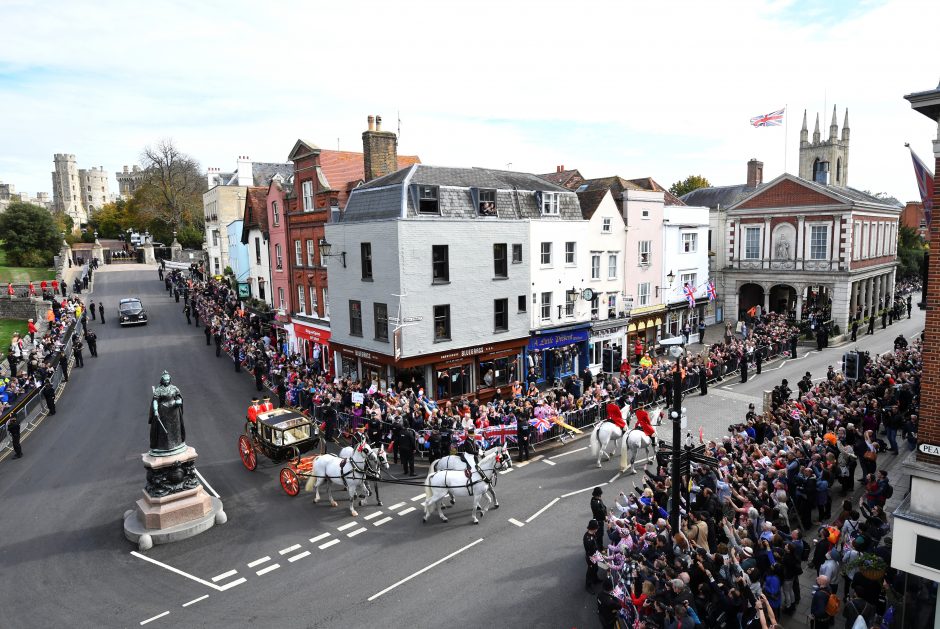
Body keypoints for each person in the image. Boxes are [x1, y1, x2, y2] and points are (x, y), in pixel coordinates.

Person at [584, 519, 602, 591]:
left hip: (594, 555)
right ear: (594, 528)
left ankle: (595, 579)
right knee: (590, 571)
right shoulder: (588, 539)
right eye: (596, 527)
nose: (597, 529)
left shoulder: (592, 534)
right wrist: (598, 555)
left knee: (595, 568)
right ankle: (588, 585)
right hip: (591, 557)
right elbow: (591, 551)